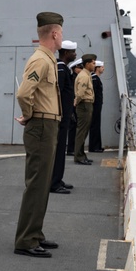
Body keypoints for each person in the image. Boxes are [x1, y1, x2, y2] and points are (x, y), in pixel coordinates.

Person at [14, 11, 64, 258]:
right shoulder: (42, 60)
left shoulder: (48, 59)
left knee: (42, 185)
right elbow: (24, 94)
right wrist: (29, 114)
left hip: (47, 126)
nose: (62, 36)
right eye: (61, 32)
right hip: (42, 126)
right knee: (37, 185)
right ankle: (26, 240)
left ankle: (35, 234)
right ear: (55, 33)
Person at [51, 40, 78, 194]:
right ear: (66, 53)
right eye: (73, 51)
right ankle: (54, 183)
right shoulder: (61, 68)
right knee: (59, 149)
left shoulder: (63, 67)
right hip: (60, 117)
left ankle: (58, 179)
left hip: (65, 115)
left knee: (61, 150)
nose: (75, 54)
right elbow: (58, 93)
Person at [72, 53, 97, 165]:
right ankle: (79, 156)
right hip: (84, 105)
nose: (94, 65)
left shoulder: (86, 75)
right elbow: (81, 93)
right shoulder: (83, 76)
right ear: (87, 64)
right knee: (81, 131)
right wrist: (77, 102)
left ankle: (81, 154)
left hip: (86, 104)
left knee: (84, 131)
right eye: (93, 63)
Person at [66, 57, 83, 155]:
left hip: (75, 104)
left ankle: (73, 148)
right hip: (73, 105)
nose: (81, 69)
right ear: (75, 68)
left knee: (75, 126)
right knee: (72, 127)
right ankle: (71, 149)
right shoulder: (73, 79)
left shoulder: (77, 78)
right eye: (80, 67)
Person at [89, 56, 105, 152]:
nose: (103, 68)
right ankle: (94, 147)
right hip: (95, 105)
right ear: (97, 68)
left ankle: (97, 146)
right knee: (95, 125)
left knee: (96, 124)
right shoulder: (94, 79)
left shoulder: (96, 78)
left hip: (97, 105)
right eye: (102, 67)